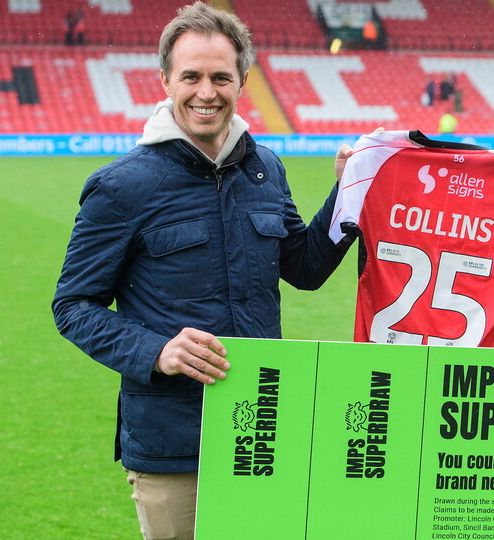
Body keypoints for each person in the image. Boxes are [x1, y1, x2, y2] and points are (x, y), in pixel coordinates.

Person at [51, 3, 349, 539]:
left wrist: (346, 198)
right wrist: (155, 351)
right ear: (165, 79)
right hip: (172, 445)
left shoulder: (267, 169)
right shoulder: (121, 187)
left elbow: (303, 268)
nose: (206, 92)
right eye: (191, 76)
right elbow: (72, 306)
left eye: (220, 77)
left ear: (243, 81)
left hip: (260, 433)